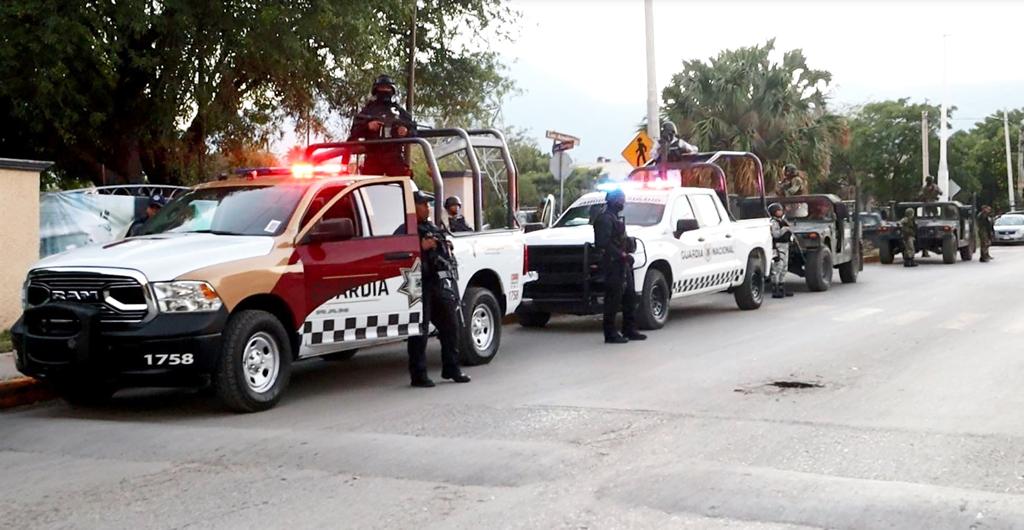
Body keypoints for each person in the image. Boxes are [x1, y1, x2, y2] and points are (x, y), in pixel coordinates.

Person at [407, 190, 471, 387]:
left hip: (436, 281)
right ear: (413, 206)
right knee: (420, 329)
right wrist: (420, 247)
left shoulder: (431, 227)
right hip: (415, 282)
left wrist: (443, 245)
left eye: (428, 204)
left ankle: (451, 368)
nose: (427, 207)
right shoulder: (406, 229)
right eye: (423, 204)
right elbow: (401, 253)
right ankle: (418, 375)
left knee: (450, 323)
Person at [593, 189, 647, 344]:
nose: (623, 203)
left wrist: (628, 246)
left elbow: (619, 238)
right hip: (612, 264)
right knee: (613, 299)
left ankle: (629, 329)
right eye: (621, 200)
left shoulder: (614, 217)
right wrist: (621, 255)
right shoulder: (604, 219)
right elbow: (603, 243)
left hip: (622, 263)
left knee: (629, 297)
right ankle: (610, 333)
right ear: (613, 201)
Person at [348, 75, 417, 177]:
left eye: (387, 88)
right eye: (381, 88)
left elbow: (414, 132)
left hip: (395, 157)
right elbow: (354, 132)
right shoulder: (367, 111)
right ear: (376, 90)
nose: (384, 90)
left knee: (404, 186)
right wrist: (368, 126)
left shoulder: (399, 112)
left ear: (392, 90)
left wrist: (406, 131)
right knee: (368, 187)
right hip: (373, 157)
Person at [768, 202, 794, 298]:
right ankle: (775, 289)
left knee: (784, 268)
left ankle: (782, 288)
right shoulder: (773, 222)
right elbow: (776, 234)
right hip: (778, 246)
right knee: (777, 267)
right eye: (778, 210)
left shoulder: (782, 221)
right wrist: (785, 229)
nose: (781, 212)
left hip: (785, 245)